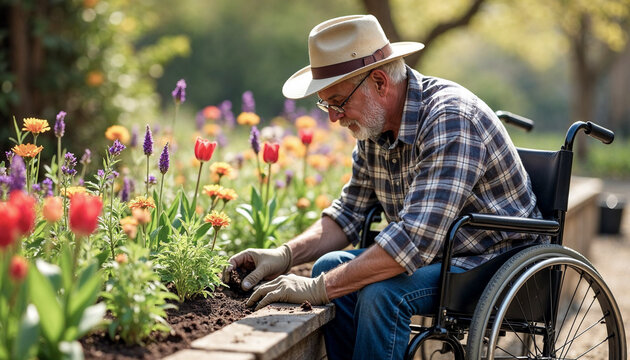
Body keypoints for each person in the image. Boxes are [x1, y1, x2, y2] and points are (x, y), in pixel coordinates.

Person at [225, 14, 545, 360]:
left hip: (493, 260)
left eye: (338, 102)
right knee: (326, 265)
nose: (333, 117)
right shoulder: (373, 128)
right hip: (437, 255)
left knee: (381, 293)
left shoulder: (451, 120)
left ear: (379, 82)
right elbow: (348, 214)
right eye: (326, 104)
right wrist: (283, 256)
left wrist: (317, 290)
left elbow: (413, 242)